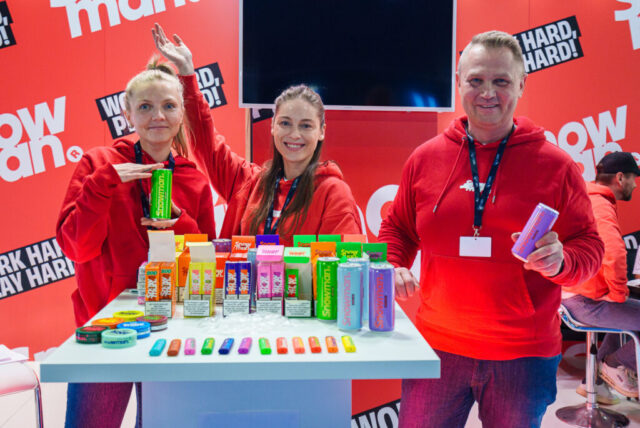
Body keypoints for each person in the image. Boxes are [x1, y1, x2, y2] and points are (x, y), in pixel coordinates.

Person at [377, 30, 604, 427]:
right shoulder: (424, 158)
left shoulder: (556, 166)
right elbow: (397, 228)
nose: (487, 93)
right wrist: (392, 264)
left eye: (501, 81)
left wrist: (562, 261)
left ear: (521, 84)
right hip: (438, 348)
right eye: (476, 80)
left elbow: (590, 248)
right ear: (458, 82)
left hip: (522, 357)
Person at [56, 59, 216, 428]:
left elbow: (205, 267)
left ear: (181, 114)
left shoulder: (193, 180)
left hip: (170, 329)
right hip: (105, 328)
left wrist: (179, 222)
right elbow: (76, 248)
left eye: (168, 105)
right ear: (127, 113)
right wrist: (103, 184)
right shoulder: (99, 164)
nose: (157, 116)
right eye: (145, 106)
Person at [151, 24, 361, 246]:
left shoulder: (333, 193)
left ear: (321, 131)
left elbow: (344, 263)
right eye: (285, 123)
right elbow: (207, 144)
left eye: (306, 126)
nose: (294, 134)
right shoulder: (250, 182)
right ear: (273, 126)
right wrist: (187, 73)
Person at [562, 151, 640, 401]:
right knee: (623, 305)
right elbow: (614, 254)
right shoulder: (601, 206)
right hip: (584, 301)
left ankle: (594, 381)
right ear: (620, 178)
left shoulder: (586, 199)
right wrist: (618, 294)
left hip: (573, 296)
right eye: (634, 178)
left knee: (626, 313)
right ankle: (615, 365)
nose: (635, 185)